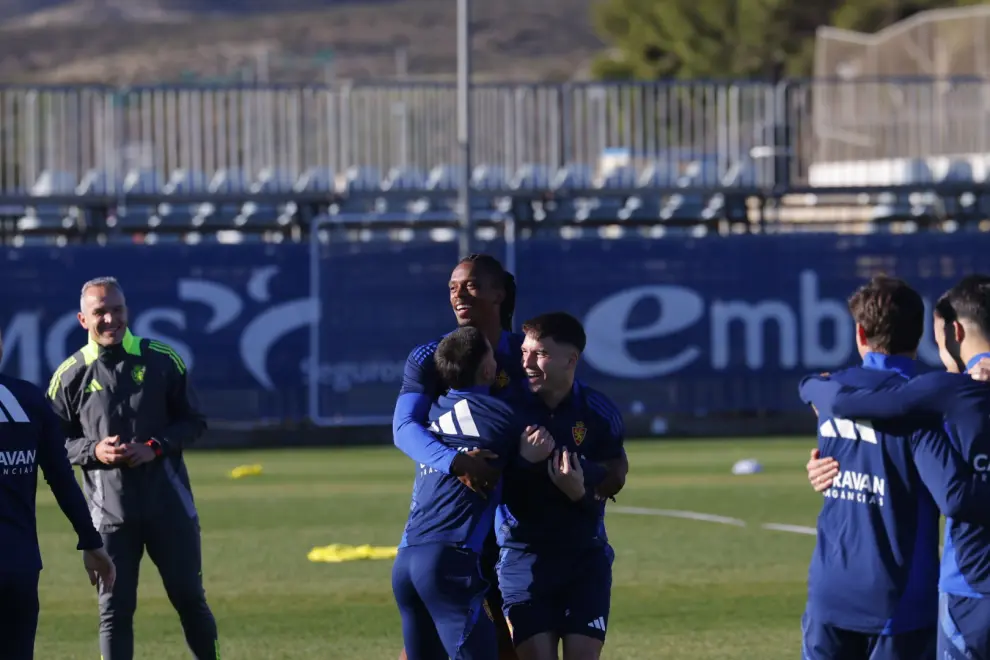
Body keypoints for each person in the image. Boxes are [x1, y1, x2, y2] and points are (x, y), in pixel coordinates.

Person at [800, 274, 990, 659]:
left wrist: (820, 466)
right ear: (920, 337)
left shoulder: (836, 390)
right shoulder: (942, 393)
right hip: (903, 597)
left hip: (830, 590)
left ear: (859, 334)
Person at [46, 277, 219, 660]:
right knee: (114, 614)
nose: (110, 319)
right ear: (82, 319)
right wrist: (94, 450)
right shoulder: (69, 376)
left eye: (117, 309)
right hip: (109, 519)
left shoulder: (161, 358)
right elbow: (52, 443)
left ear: (127, 310)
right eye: (100, 312)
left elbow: (194, 422)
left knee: (191, 601)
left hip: (170, 509)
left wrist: (154, 447)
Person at [392, 326, 555, 660]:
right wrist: (530, 458)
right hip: (449, 562)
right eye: (492, 356)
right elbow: (522, 477)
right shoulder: (502, 417)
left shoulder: (432, 414)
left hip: (406, 562)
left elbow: (404, 428)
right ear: (487, 370)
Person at [496, 312, 627, 660]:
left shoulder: (598, 411)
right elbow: (489, 481)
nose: (526, 361)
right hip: (524, 558)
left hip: (585, 558)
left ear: (571, 359)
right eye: (524, 352)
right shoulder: (507, 407)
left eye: (539, 353)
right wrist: (524, 461)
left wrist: (580, 489)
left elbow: (617, 471)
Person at [0, 329, 117, 660]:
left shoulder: (31, 400)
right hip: (20, 565)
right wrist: (91, 542)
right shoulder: (30, 399)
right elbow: (62, 479)